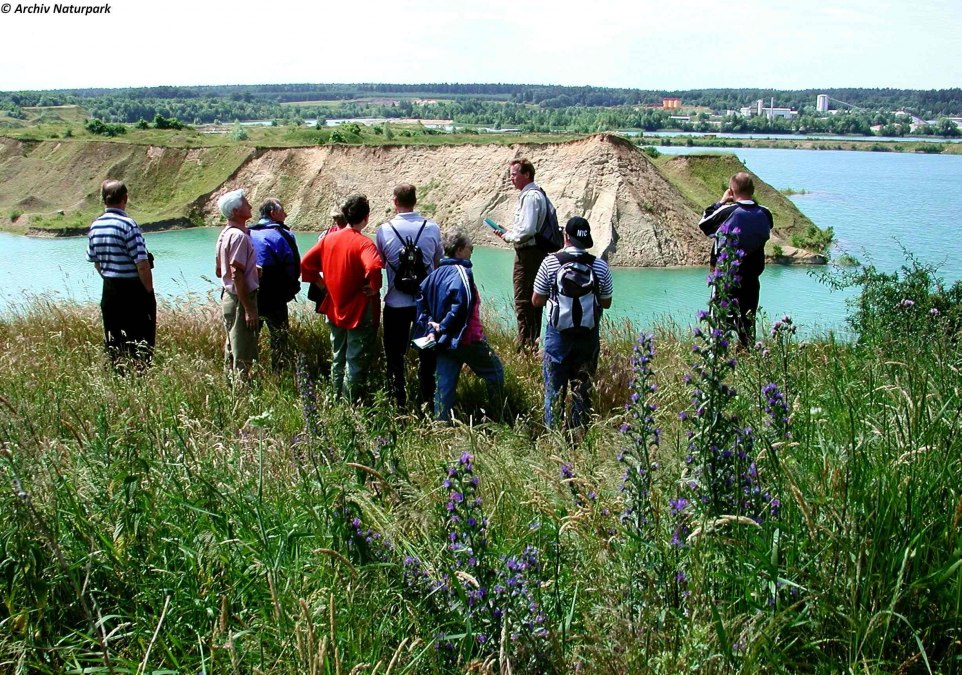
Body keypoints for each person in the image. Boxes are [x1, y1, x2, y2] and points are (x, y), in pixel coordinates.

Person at [414, 230, 505, 423]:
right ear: (460, 250)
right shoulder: (462, 273)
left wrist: (432, 329)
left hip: (443, 341)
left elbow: (421, 304)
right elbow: (462, 304)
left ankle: (441, 425)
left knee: (444, 385)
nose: (472, 251)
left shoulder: (434, 275)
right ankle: (499, 418)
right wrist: (443, 326)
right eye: (470, 248)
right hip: (465, 337)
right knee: (495, 371)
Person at [532, 217, 613, 430]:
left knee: (553, 392)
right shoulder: (600, 266)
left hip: (557, 337)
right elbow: (606, 303)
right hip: (588, 338)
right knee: (582, 393)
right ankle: (578, 437)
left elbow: (536, 300)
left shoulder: (550, 263)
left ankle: (554, 437)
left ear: (566, 236)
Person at [308, 194, 383, 400]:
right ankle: (349, 405)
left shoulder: (328, 239)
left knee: (338, 357)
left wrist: (323, 284)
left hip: (333, 307)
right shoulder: (365, 244)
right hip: (359, 310)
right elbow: (374, 267)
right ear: (366, 218)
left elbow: (305, 264)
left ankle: (335, 399)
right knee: (355, 360)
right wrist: (374, 287)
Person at [375, 183, 442, 409]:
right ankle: (427, 400)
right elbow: (437, 263)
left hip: (395, 304)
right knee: (427, 355)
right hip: (425, 305)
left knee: (395, 356)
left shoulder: (384, 230)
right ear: (415, 200)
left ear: (395, 202)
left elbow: (381, 262)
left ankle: (398, 402)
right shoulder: (432, 228)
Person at [697, 172, 773, 347]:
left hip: (726, 279)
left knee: (718, 322)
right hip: (752, 280)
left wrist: (721, 202)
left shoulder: (728, 212)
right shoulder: (765, 213)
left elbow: (704, 223)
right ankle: (747, 354)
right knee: (747, 324)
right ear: (753, 190)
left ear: (731, 191)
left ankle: (717, 354)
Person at [86, 179, 156, 370]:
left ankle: (119, 374)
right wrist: (148, 291)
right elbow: (142, 264)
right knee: (141, 340)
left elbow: (96, 262)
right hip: (133, 290)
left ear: (104, 200)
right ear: (125, 198)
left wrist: (110, 278)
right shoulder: (128, 225)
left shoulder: (95, 226)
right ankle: (140, 375)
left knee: (115, 340)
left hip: (109, 290)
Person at [249, 198, 301, 371]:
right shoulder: (283, 234)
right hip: (275, 296)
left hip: (251, 294)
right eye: (282, 211)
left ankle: (248, 373)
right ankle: (280, 374)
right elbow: (294, 266)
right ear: (273, 214)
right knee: (280, 337)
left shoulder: (247, 233)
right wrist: (291, 287)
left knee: (250, 337)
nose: (285, 215)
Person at [502, 158, 548, 352]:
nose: (511, 178)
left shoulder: (530, 197)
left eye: (514, 174)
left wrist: (509, 236)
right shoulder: (537, 194)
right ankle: (532, 343)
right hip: (535, 253)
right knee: (534, 301)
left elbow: (528, 229)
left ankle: (525, 348)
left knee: (523, 301)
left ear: (526, 174)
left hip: (528, 255)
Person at [214, 188, 259, 376]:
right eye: (246, 203)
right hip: (241, 299)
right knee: (243, 353)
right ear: (236, 211)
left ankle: (231, 387)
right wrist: (249, 309)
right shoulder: (239, 237)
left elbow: (219, 271)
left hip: (229, 297)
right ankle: (242, 389)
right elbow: (236, 274)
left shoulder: (224, 234)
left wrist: (251, 270)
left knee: (232, 348)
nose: (250, 206)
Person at [302, 206, 348, 312]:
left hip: (325, 284)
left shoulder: (325, 234)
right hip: (342, 286)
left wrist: (322, 286)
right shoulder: (353, 236)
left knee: (329, 314)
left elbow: (308, 262)